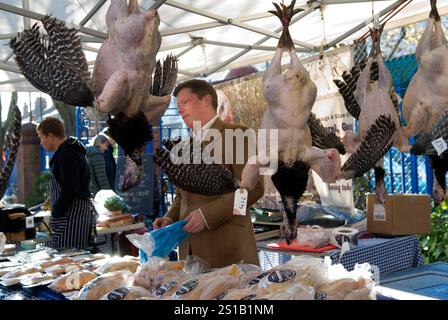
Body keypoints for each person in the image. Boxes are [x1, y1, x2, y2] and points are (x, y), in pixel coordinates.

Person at [153, 79, 264, 268]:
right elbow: (182, 196)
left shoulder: (236, 135)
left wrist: (208, 215)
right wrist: (170, 218)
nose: (180, 109)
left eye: (185, 102)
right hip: (189, 252)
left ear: (206, 100)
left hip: (228, 252)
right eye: (178, 105)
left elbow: (252, 192)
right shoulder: (184, 146)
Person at [37, 117, 92, 250]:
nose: (41, 143)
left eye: (41, 137)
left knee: (70, 263)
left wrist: (56, 212)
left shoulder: (66, 155)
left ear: (51, 136)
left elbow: (70, 189)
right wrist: (52, 198)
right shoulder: (70, 151)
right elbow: (69, 183)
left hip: (71, 219)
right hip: (73, 217)